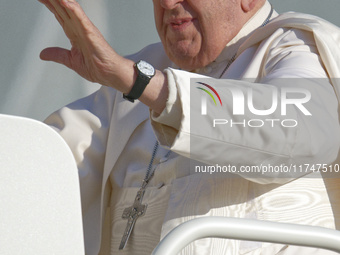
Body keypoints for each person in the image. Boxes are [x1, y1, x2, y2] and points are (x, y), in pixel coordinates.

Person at [38, 0, 340, 254]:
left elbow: (300, 133)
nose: (167, 4)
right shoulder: (138, 71)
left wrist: (146, 85)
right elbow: (48, 160)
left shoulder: (295, 46)